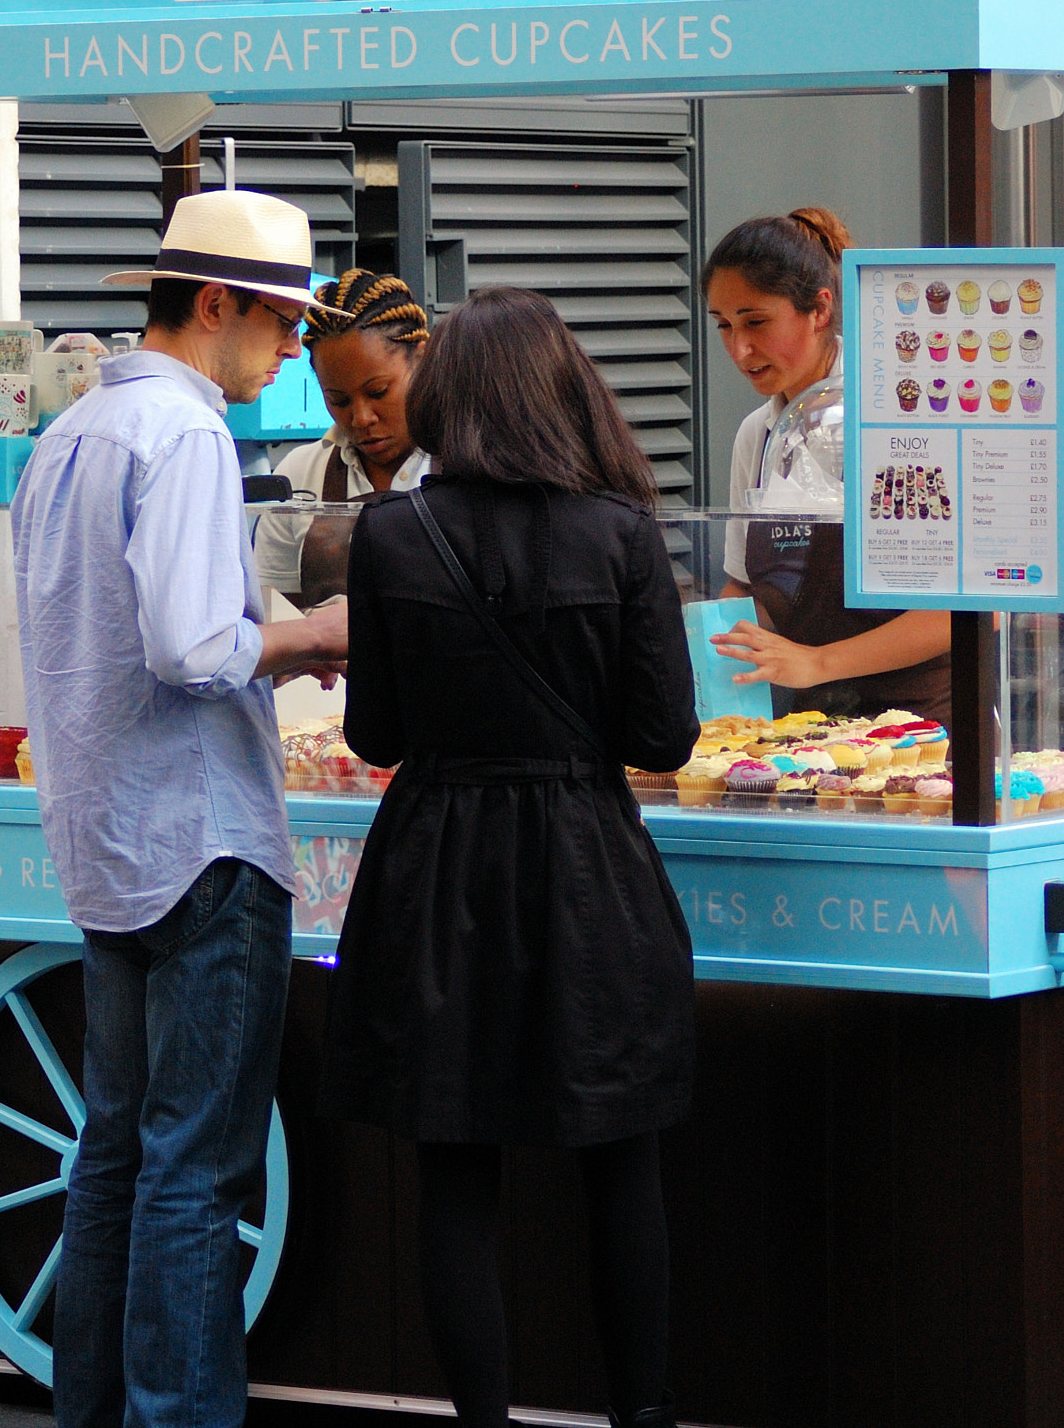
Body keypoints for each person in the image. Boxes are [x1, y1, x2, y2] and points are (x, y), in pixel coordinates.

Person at [318, 286, 697, 1428]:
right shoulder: (623, 530)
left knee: (456, 1167)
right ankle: (643, 1418)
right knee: (620, 1163)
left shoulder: (390, 532)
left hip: (438, 870)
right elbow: (662, 735)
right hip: (590, 867)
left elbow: (375, 735)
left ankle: (480, 1420)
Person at [12, 189, 350, 1428]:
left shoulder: (74, 432)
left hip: (103, 833)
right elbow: (195, 644)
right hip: (202, 833)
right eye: (280, 322)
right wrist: (312, 631)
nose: (292, 350)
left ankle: (95, 1411)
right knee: (195, 1171)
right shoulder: (187, 435)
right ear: (217, 304)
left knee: (113, 1156)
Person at [703, 207, 951, 726]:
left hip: (925, 729)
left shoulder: (901, 421)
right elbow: (746, 588)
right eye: (723, 325)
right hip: (808, 726)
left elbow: (969, 611)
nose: (739, 348)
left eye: (755, 321)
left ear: (820, 309)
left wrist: (816, 662)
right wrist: (706, 651)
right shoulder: (758, 433)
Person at [254, 268, 431, 607]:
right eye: (339, 400)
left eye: (378, 391)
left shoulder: (469, 464)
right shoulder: (299, 475)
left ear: (421, 359)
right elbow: (274, 612)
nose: (361, 418)